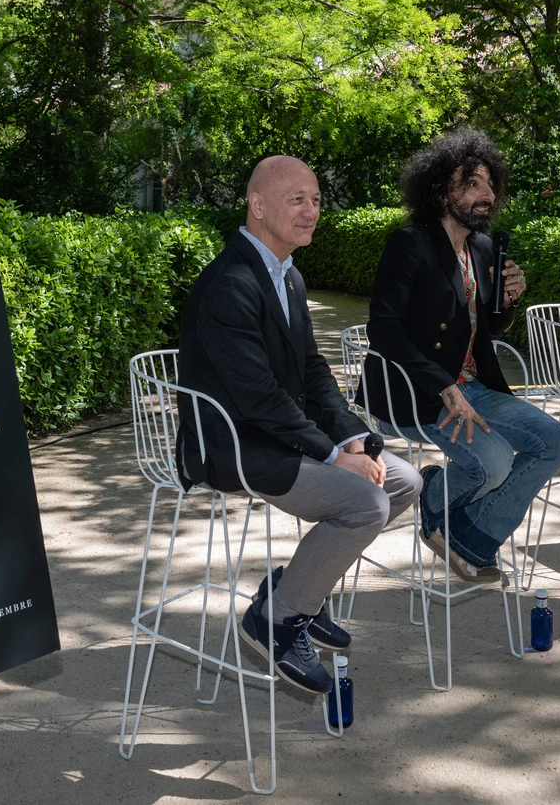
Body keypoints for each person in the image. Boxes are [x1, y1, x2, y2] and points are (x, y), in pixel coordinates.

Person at [176, 156, 421, 696]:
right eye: (297, 199)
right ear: (257, 205)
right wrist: (334, 456)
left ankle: (292, 592)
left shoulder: (286, 275)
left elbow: (312, 371)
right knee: (367, 503)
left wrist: (352, 434)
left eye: (315, 199)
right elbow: (259, 396)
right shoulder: (230, 283)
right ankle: (280, 620)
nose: (311, 211)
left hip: (273, 432)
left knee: (403, 479)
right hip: (236, 445)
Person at [363, 129, 560, 584]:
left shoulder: (480, 247)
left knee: (556, 443)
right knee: (494, 462)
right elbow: (382, 328)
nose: (488, 195)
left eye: (490, 185)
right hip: (416, 390)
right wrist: (444, 384)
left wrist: (509, 299)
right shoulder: (409, 244)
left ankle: (471, 533)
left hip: (473, 386)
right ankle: (438, 497)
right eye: (473, 185)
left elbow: (489, 329)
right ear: (441, 192)